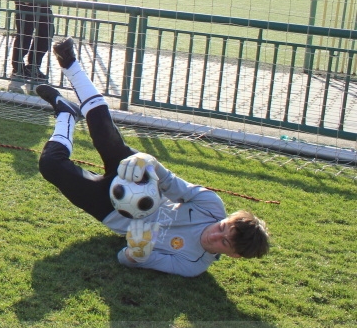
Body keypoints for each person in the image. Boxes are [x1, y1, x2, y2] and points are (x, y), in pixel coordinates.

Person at [34, 37, 270, 277]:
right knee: (104, 132)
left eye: (224, 243)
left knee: (50, 165)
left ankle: (66, 114)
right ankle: (70, 64)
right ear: (227, 219)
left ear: (234, 255)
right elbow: (168, 182)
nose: (215, 235)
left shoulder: (192, 264)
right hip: (137, 178)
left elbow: (125, 260)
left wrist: (136, 254)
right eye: (223, 228)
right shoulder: (211, 205)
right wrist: (148, 161)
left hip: (113, 211)